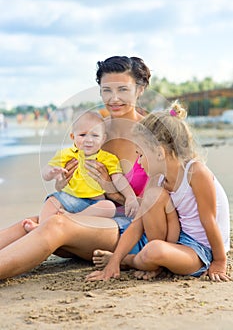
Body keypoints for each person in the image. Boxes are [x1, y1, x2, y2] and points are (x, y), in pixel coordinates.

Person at [0, 55, 154, 281]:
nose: (114, 98)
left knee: (55, 225)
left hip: (135, 229)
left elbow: (169, 201)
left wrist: (113, 193)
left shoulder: (154, 132)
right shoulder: (96, 130)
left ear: (139, 89)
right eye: (106, 90)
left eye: (123, 89)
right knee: (32, 223)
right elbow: (78, 181)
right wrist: (63, 183)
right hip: (94, 220)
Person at [86, 101, 231, 282]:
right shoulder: (158, 178)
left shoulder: (195, 172)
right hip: (178, 239)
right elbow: (138, 223)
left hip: (201, 249)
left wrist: (219, 261)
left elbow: (209, 220)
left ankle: (132, 261)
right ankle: (140, 262)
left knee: (153, 251)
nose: (137, 162)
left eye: (140, 154)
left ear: (160, 153)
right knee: (152, 198)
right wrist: (113, 262)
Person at [22, 111, 139, 231]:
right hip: (69, 198)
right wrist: (51, 172)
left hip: (95, 202)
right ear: (73, 137)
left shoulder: (108, 158)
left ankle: (72, 218)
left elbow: (118, 178)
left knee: (109, 207)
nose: (89, 140)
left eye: (95, 135)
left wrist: (130, 196)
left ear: (103, 138)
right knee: (52, 201)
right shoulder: (68, 154)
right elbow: (46, 172)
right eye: (83, 135)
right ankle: (41, 226)